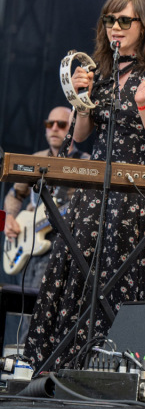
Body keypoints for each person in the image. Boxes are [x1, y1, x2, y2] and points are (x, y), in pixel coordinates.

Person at [24, 0, 145, 371]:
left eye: (124, 21)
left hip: (140, 195)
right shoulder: (101, 70)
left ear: (143, 25)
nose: (115, 28)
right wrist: (82, 98)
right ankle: (63, 365)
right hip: (96, 190)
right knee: (77, 272)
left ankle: (118, 369)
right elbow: (81, 134)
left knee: (123, 277)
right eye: (109, 20)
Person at [3, 106, 89, 290]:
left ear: (73, 127)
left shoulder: (86, 162)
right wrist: (8, 218)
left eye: (61, 124)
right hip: (30, 247)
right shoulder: (37, 158)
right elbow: (15, 194)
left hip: (63, 245)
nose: (54, 128)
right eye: (50, 124)